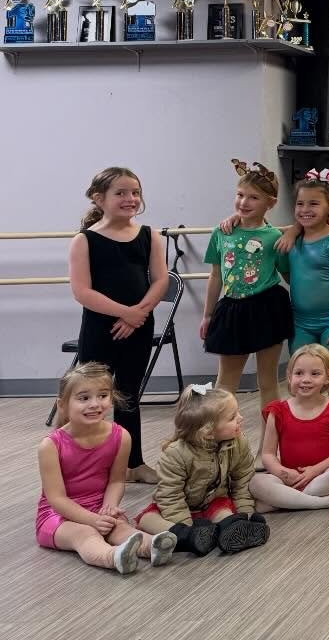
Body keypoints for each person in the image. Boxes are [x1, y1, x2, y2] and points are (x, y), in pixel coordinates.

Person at [68, 167, 168, 483]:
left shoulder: (149, 235)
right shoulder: (85, 240)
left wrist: (138, 313)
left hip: (138, 326)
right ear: (99, 198)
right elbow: (82, 291)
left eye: (135, 192)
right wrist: (125, 312)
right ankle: (84, 463)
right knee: (90, 394)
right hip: (101, 329)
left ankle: (132, 462)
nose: (130, 199)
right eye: (121, 193)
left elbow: (161, 279)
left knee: (128, 394)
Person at [35, 363, 175, 574]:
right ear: (62, 405)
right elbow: (57, 499)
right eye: (84, 398)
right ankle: (113, 557)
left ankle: (153, 546)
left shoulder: (121, 436)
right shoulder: (50, 446)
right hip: (58, 516)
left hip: (99, 507)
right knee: (84, 534)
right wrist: (93, 520)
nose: (95, 404)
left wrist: (109, 507)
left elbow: (117, 481)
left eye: (102, 395)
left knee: (122, 528)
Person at [136, 383, 266, 556]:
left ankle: (236, 526)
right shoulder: (176, 453)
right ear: (208, 432)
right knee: (147, 518)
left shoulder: (238, 442)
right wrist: (187, 526)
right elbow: (170, 495)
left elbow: (243, 480)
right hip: (176, 509)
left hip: (213, 501)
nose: (241, 418)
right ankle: (189, 536)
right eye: (233, 417)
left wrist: (246, 512)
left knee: (223, 510)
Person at [203, 161, 290, 408]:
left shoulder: (274, 237)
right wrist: (208, 315)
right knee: (226, 385)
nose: (244, 202)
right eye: (240, 195)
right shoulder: (222, 233)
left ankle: (268, 444)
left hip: (268, 308)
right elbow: (216, 275)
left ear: (270, 203)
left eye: (254, 197)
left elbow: (287, 274)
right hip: (232, 309)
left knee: (269, 382)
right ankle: (221, 442)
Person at [250, 345, 329, 511]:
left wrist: (314, 471)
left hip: (321, 476)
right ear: (289, 376)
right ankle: (323, 502)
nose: (306, 379)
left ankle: (286, 501)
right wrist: (283, 472)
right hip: (287, 478)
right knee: (257, 482)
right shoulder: (278, 411)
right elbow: (268, 454)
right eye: (299, 373)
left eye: (315, 374)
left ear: (328, 377)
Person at [285, 170, 329, 399]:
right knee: (301, 386)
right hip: (301, 324)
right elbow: (290, 274)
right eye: (300, 204)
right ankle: (307, 433)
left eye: (314, 203)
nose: (305, 209)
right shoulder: (292, 239)